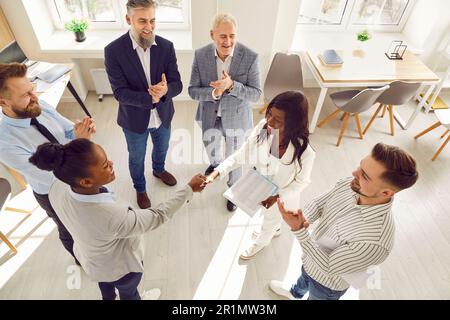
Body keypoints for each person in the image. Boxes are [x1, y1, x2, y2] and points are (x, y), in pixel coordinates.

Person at [29, 139, 206, 300]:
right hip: (121, 269)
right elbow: (157, 215)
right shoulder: (111, 217)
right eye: (105, 165)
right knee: (129, 293)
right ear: (86, 182)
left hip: (91, 260)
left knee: (105, 287)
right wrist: (189, 188)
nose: (112, 164)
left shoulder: (56, 187)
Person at [270, 143, 418, 300]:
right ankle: (294, 293)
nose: (354, 173)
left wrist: (299, 230)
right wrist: (303, 217)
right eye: (360, 166)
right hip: (309, 260)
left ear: (386, 192)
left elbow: (328, 266)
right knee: (304, 278)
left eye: (365, 176)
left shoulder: (376, 242)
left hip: (327, 285)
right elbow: (321, 203)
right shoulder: (353, 184)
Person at [0, 62, 95, 262]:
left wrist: (79, 130)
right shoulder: (4, 142)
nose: (34, 97)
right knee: (69, 230)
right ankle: (82, 261)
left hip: (79, 175)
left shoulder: (38, 106)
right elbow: (50, 172)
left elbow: (66, 129)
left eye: (31, 89)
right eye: (25, 95)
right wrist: (80, 142)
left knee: (90, 222)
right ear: (3, 103)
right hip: (53, 192)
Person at [204, 91, 315, 259]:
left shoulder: (305, 153)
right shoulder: (264, 128)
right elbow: (242, 155)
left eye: (277, 120)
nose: (269, 121)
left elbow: (301, 183)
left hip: (282, 196)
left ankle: (261, 242)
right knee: (268, 218)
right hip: (260, 183)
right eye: (269, 114)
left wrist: (276, 197)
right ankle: (275, 228)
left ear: (293, 123)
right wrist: (217, 172)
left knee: (270, 221)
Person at [105, 0, 182, 209]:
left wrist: (166, 91)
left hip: (163, 115)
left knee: (162, 147)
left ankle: (158, 169)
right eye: (142, 21)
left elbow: (177, 83)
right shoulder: (113, 51)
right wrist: (150, 99)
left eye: (152, 20)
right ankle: (140, 188)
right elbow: (119, 93)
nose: (149, 26)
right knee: (136, 158)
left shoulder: (166, 47)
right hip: (134, 121)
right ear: (128, 20)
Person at [189, 13, 262, 212]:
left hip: (237, 120)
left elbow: (256, 94)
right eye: (222, 36)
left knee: (235, 160)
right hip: (209, 117)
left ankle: (234, 190)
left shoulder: (250, 57)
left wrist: (231, 86)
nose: (227, 41)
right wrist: (214, 92)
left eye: (232, 35)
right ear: (212, 34)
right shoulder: (200, 55)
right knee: (212, 149)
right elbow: (193, 91)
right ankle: (215, 165)